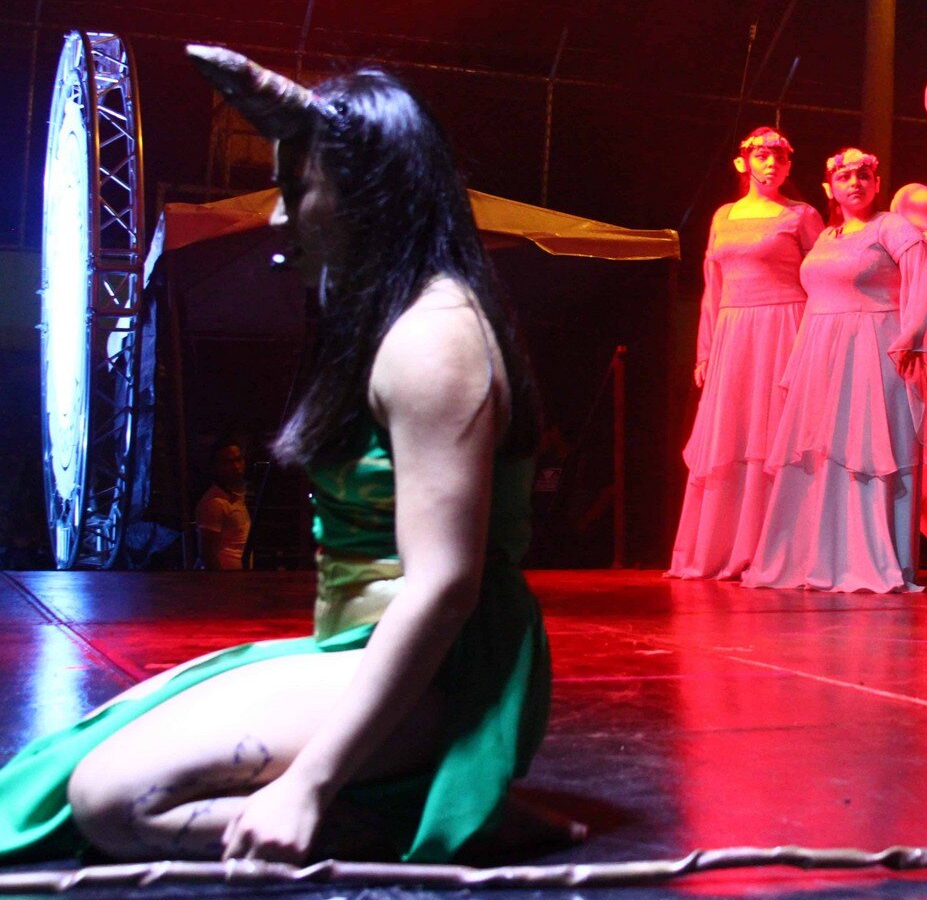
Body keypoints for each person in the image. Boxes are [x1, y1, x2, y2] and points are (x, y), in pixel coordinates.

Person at [0, 47, 550, 863]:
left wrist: (309, 786)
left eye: (298, 191)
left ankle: (434, 805)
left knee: (110, 803)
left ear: (367, 197)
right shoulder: (391, 317)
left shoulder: (434, 340)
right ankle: (415, 794)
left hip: (442, 676)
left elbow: (443, 589)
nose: (278, 221)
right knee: (69, 763)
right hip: (366, 658)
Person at [742, 148, 927, 593]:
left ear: (876, 184)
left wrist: (913, 333)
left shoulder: (891, 226)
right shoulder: (827, 237)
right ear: (830, 188)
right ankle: (821, 557)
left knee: (868, 448)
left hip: (873, 346)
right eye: (844, 177)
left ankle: (870, 558)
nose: (854, 183)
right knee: (825, 453)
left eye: (863, 176)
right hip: (823, 353)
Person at [667, 127, 823, 580]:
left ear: (789, 166)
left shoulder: (802, 215)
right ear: (743, 163)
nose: (770, 163)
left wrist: (817, 343)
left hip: (785, 329)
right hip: (735, 335)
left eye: (779, 157)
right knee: (733, 434)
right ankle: (725, 546)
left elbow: (821, 280)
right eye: (761, 156)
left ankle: (781, 548)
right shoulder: (723, 216)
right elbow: (712, 289)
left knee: (776, 435)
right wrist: (705, 351)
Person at [196, 438, 251, 570]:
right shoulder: (214, 503)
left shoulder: (237, 496)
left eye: (238, 460)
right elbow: (207, 554)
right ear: (216, 466)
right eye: (228, 462)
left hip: (240, 577)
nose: (236, 467)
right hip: (227, 578)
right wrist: (220, 580)